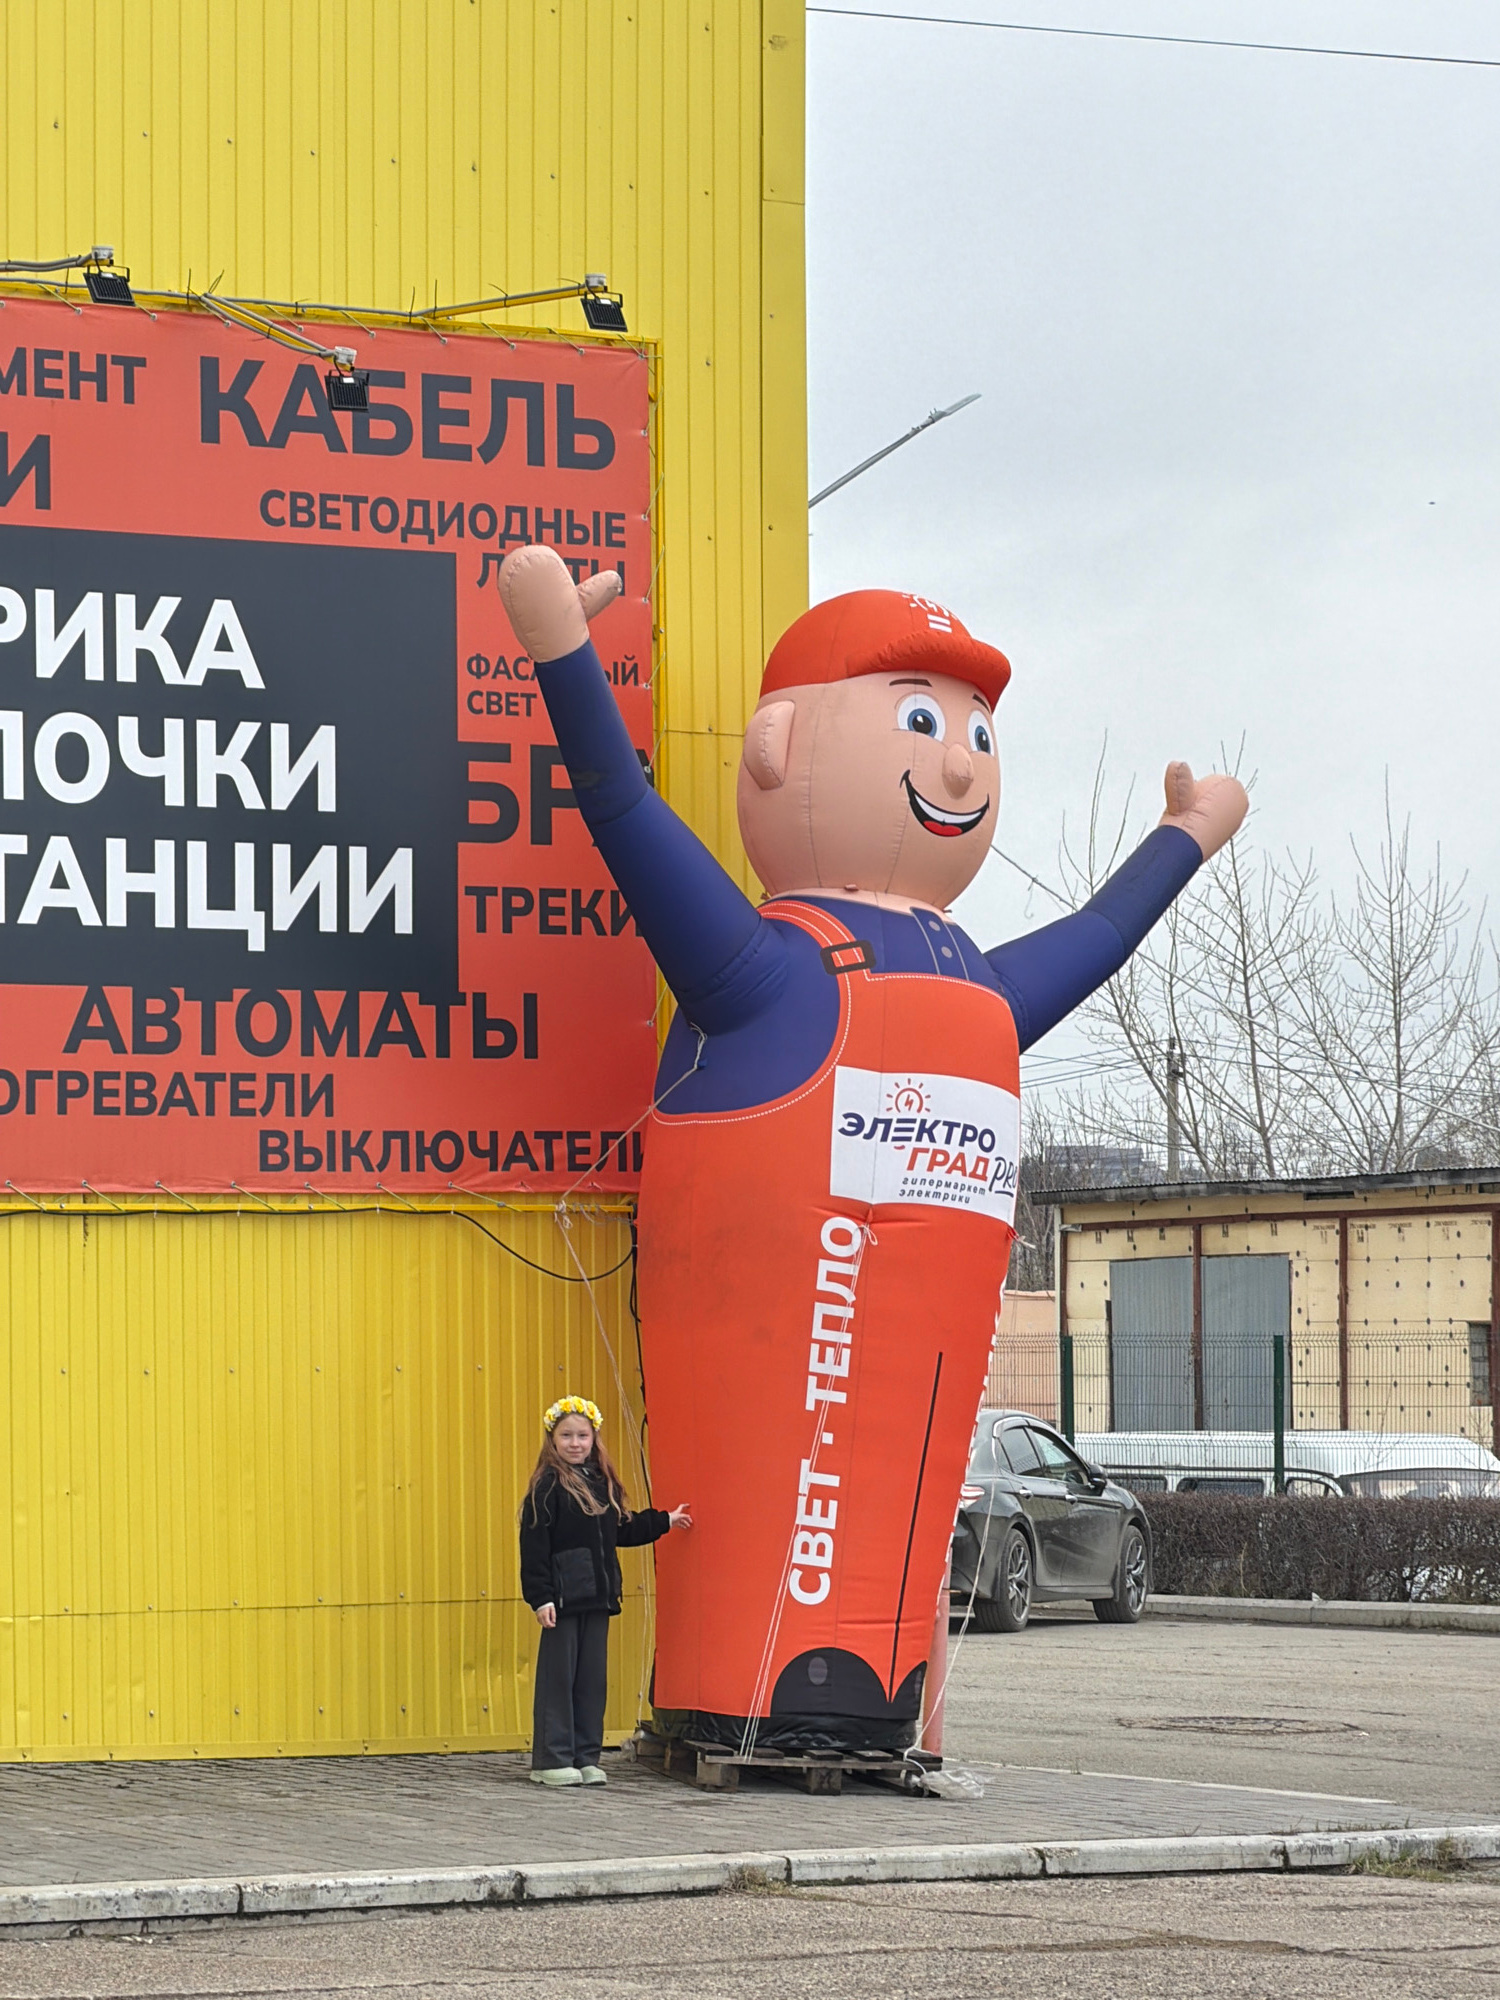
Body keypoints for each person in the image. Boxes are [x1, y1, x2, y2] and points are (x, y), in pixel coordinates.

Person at [499, 551, 1248, 1752]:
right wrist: (561, 657)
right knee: (788, 1455)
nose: (958, 763)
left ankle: (895, 1699)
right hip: (763, 1312)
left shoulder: (971, 983)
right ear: (779, 745)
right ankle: (734, 1685)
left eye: (976, 733)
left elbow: (1101, 932)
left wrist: (1183, 836)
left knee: (901, 1464)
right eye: (921, 721)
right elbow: (622, 811)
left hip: (913, 1315)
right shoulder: (766, 966)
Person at [519, 1395, 692, 1786]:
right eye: (566, 1436)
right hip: (562, 1600)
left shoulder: (600, 1482)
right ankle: (551, 1759)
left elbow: (622, 1528)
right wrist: (541, 1597)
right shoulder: (546, 1487)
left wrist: (665, 1520)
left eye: (582, 1436)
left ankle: (585, 1757)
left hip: (597, 1597)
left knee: (591, 1682)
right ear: (552, 1440)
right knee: (559, 1680)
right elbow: (534, 1548)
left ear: (594, 1438)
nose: (575, 1443)